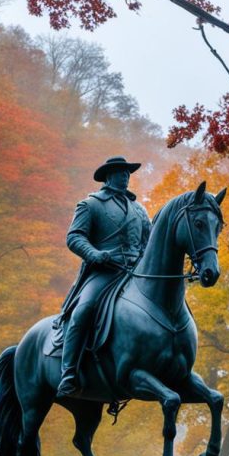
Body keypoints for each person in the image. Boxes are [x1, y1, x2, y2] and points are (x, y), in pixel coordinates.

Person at [56, 156, 151, 398]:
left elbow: (148, 244)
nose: (126, 176)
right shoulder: (91, 205)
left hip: (134, 273)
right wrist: (95, 254)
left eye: (128, 172)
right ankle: (68, 372)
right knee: (84, 309)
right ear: (108, 175)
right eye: (121, 172)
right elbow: (74, 237)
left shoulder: (139, 210)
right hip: (104, 271)